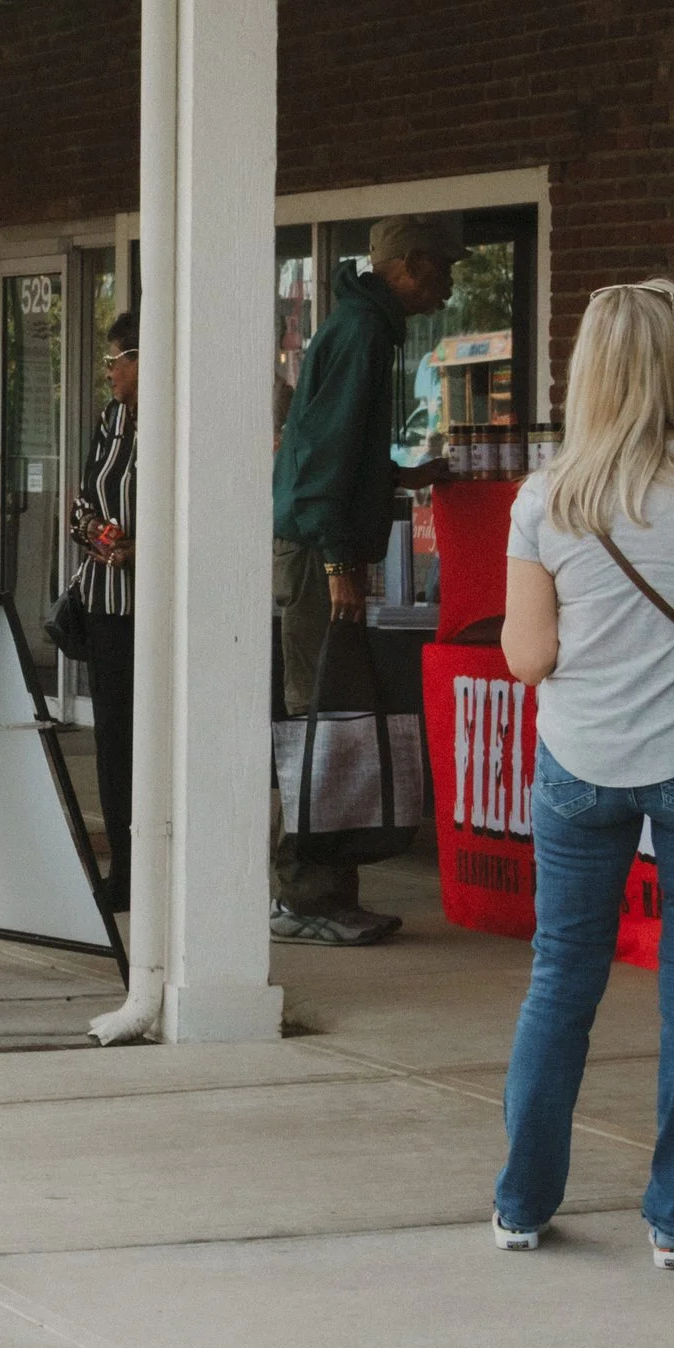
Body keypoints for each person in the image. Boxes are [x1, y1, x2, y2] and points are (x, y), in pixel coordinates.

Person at [494, 282, 674, 1265]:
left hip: (578, 762)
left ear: (587, 369)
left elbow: (528, 659)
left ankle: (523, 1204)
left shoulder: (545, 496)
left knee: (560, 979)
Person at [270, 213, 461, 944]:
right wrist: (339, 562)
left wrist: (404, 474)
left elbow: (341, 445)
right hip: (321, 552)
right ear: (408, 266)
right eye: (441, 271)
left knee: (337, 714)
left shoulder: (363, 326)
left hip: (324, 544)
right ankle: (306, 897)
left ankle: (320, 890)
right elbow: (319, 455)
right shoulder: (360, 332)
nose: (446, 288)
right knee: (326, 719)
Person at [68, 310, 138, 914]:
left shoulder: (180, 417)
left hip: (161, 611)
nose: (110, 373)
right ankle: (126, 871)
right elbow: (81, 504)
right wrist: (102, 536)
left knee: (158, 744)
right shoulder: (112, 421)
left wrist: (147, 548)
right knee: (114, 744)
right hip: (108, 606)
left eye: (117, 361)